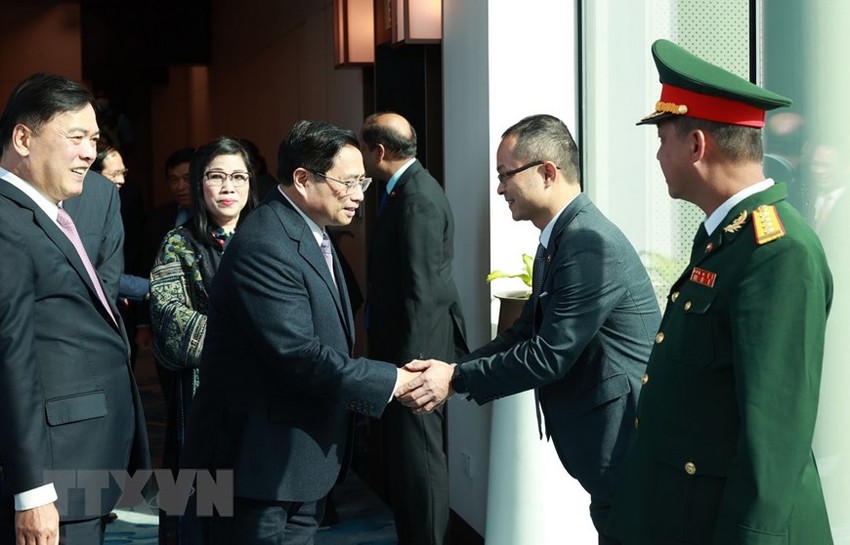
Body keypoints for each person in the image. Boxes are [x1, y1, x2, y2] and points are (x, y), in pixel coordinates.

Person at [605, 40, 834, 544]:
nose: (659, 156)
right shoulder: (725, 234)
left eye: (663, 140)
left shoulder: (778, 251)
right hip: (682, 514)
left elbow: (773, 439)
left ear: (696, 146)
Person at [397, 113, 661, 544]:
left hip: (623, 443)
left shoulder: (587, 241)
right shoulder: (559, 236)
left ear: (547, 172)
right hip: (604, 445)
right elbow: (527, 333)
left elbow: (550, 354)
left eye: (505, 175)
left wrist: (455, 378)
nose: (499, 188)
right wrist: (453, 368)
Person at [181, 120, 420, 545]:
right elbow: (298, 353)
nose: (359, 194)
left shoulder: (311, 235)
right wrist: (393, 381)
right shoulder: (265, 242)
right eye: (347, 183)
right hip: (257, 468)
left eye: (362, 180)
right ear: (303, 179)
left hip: (297, 463)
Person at [0, 73, 150, 544]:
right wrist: (32, 489)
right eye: (76, 138)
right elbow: (12, 360)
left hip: (82, 460)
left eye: (95, 139)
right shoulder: (6, 221)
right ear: (24, 138)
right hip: (50, 475)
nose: (90, 152)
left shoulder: (49, 211)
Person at [360, 112, 467, 545]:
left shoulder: (417, 196)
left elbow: (422, 290)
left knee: (420, 457)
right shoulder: (405, 188)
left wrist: (415, 370)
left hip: (418, 353)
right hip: (405, 347)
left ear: (378, 151)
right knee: (405, 460)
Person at [150, 136, 258, 545]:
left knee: (258, 512)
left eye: (237, 176)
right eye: (216, 176)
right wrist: (252, 341)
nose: (228, 187)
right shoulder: (179, 243)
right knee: (203, 515)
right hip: (204, 403)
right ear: (199, 184)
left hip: (264, 403)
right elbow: (168, 320)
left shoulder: (270, 240)